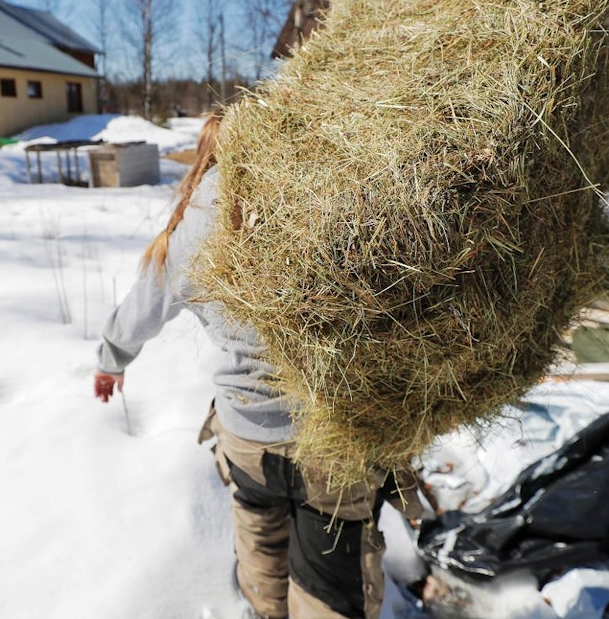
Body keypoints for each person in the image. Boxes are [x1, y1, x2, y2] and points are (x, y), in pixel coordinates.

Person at [94, 112, 423, 619]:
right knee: (330, 594)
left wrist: (111, 361)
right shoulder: (325, 196)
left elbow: (144, 306)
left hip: (246, 440)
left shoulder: (196, 220)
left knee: (262, 565)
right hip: (330, 445)